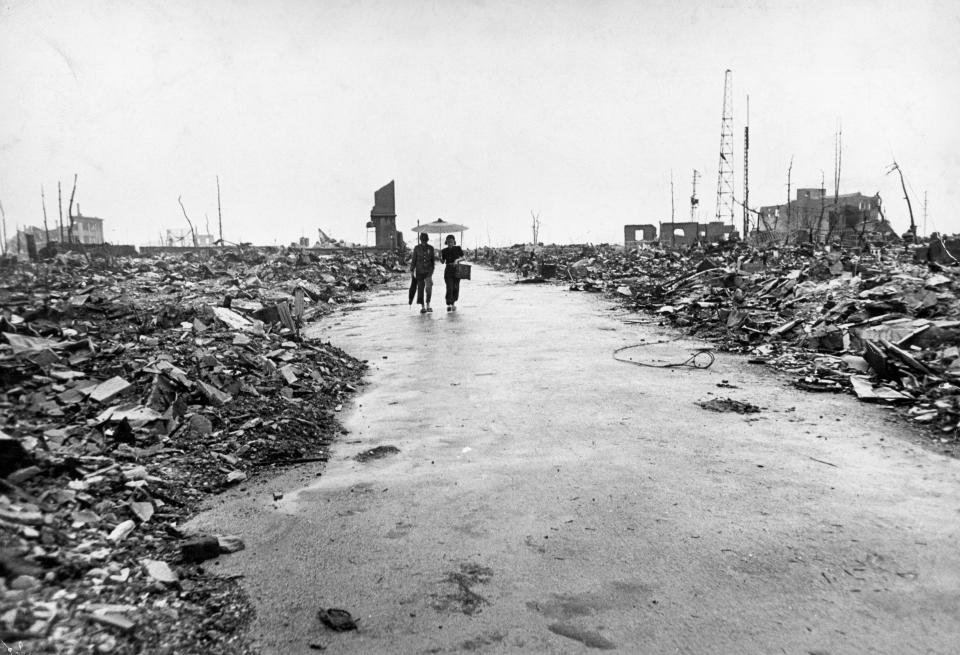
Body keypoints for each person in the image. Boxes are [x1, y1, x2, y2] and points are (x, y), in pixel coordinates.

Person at [410, 233, 435, 313]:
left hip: (428, 271)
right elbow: (414, 260)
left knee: (429, 288)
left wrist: (431, 270)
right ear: (420, 240)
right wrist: (412, 270)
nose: (423, 242)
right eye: (422, 240)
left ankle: (428, 304)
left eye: (425, 240)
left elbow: (432, 261)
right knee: (420, 289)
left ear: (427, 240)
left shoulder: (431, 248)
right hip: (419, 271)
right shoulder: (416, 248)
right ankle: (423, 306)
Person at [440, 235, 464, 311]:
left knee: (455, 287)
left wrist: (457, 260)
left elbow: (463, 258)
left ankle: (453, 303)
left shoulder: (458, 248)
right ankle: (449, 304)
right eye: (448, 242)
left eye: (451, 241)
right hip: (448, 270)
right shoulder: (444, 250)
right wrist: (440, 258)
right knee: (449, 287)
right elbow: (443, 262)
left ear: (454, 241)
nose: (450, 243)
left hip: (457, 269)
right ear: (446, 242)